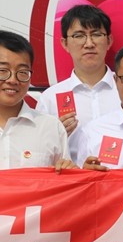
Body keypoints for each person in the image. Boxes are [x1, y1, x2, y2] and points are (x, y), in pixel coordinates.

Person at [36, 5, 120, 163]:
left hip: (120, 177)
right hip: (72, 177)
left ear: (109, 41)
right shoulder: (50, 98)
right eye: (79, 36)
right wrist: (55, 136)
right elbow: (40, 153)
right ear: (65, 43)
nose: (89, 44)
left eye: (96, 34)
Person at [0, 30, 75, 171]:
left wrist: (71, 171)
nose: (12, 80)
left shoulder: (51, 127)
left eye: (22, 72)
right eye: (2, 70)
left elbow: (66, 177)